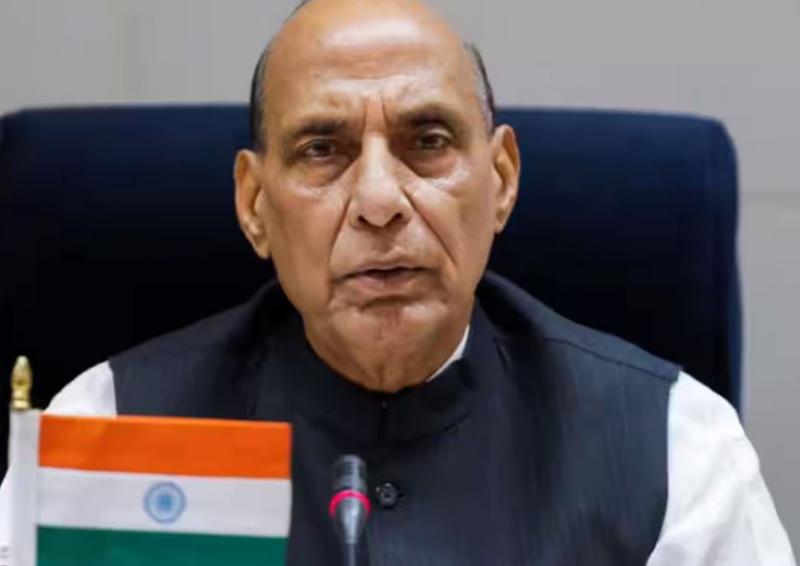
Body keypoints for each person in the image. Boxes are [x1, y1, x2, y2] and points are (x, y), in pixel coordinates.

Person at [0, 0, 796, 564]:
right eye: (323, 150)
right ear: (254, 205)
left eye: (428, 141)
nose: (380, 201)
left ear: (501, 180)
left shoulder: (676, 448)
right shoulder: (108, 431)